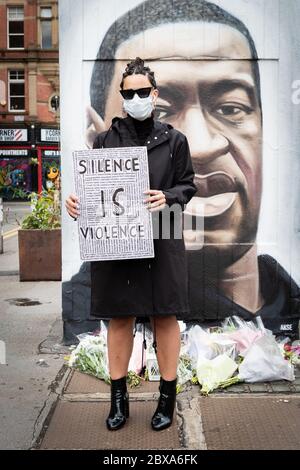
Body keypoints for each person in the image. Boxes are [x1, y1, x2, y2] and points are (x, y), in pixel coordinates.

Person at [85, 0, 300, 339]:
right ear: (97, 140)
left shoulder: (291, 299)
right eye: (163, 112)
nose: (200, 145)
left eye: (231, 107)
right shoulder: (87, 304)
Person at [65, 57, 196, 431]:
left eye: (142, 91)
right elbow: (94, 191)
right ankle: (118, 399)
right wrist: (78, 204)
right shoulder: (105, 141)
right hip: (117, 244)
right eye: (129, 92)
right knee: (120, 317)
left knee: (165, 315)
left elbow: (188, 185)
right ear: (122, 97)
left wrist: (167, 196)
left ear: (154, 94)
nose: (136, 97)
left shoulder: (175, 141)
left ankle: (167, 398)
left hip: (163, 238)